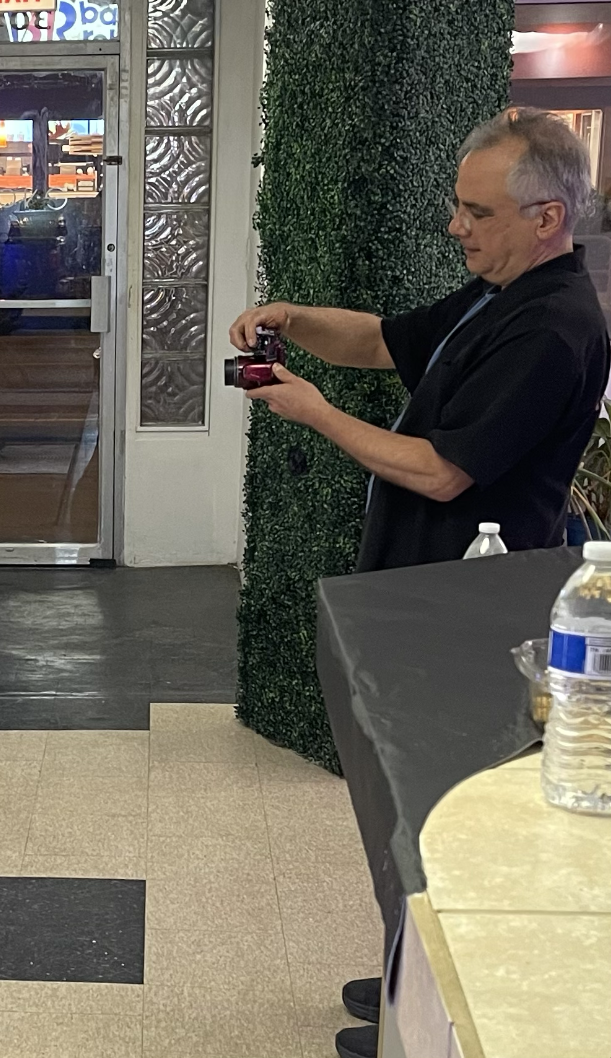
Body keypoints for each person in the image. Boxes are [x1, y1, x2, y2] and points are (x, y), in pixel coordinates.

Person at [229, 107, 609, 1058]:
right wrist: (291, 319)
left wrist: (316, 414)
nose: (455, 227)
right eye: (457, 206)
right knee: (404, 801)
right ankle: (413, 967)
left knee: (442, 809)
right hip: (423, 585)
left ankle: (432, 1011)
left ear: (547, 218)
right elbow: (380, 342)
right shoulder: (497, 292)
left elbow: (443, 472)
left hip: (472, 601)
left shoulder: (551, 328)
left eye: (476, 213)